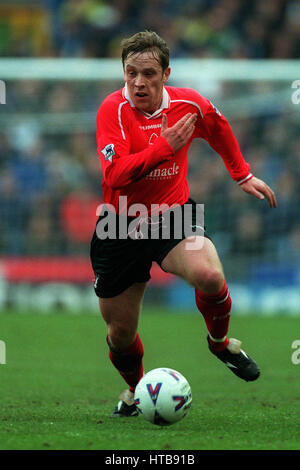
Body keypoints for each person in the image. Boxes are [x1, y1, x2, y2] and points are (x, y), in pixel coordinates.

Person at [90, 31, 277, 417]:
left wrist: (242, 175)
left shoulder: (189, 104)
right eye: (130, 73)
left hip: (174, 216)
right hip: (121, 226)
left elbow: (219, 125)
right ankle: (135, 390)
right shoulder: (113, 110)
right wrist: (164, 147)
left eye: (148, 73)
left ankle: (219, 342)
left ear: (166, 74)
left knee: (209, 275)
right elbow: (115, 176)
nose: (139, 82)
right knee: (119, 335)